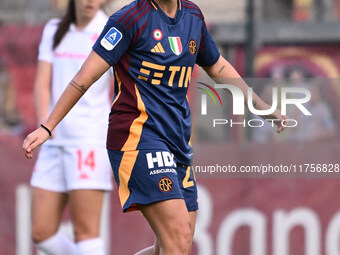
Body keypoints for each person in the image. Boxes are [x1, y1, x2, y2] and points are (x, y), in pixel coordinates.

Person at [23, 0, 287, 254]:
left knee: (175, 246)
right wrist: (47, 126)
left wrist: (260, 105)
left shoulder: (193, 17)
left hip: (177, 142)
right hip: (137, 138)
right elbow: (84, 77)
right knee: (179, 235)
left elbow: (217, 66)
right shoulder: (129, 19)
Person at [28, 0, 113, 254]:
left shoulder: (111, 30)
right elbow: (42, 83)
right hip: (53, 142)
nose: (90, 1)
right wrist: (46, 123)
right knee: (41, 233)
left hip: (88, 142)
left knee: (85, 234)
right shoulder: (54, 29)